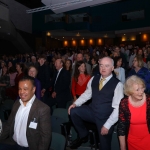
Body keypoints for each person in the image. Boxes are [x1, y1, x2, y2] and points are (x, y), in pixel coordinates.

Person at [68, 57, 124, 150]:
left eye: (107, 66)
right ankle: (83, 135)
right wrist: (76, 103)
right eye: (101, 65)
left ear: (112, 68)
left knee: (104, 147)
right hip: (92, 111)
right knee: (73, 111)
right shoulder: (94, 78)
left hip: (105, 118)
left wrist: (107, 125)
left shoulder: (118, 85)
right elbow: (87, 94)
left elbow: (118, 108)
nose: (103, 68)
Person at [0, 76, 51, 150]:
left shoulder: (42, 109)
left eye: (25, 89)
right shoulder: (17, 103)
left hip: (29, 147)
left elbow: (45, 137)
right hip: (13, 143)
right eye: (20, 89)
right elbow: (9, 124)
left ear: (33, 89)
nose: (21, 92)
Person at [118, 75, 150, 150]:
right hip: (132, 142)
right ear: (129, 91)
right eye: (137, 90)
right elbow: (121, 127)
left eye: (142, 88)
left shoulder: (149, 101)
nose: (141, 92)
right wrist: (123, 147)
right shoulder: (124, 103)